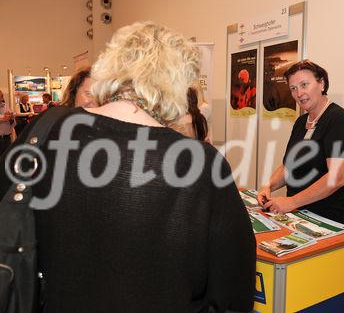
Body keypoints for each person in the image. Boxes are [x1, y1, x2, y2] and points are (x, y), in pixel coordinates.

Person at [1, 21, 256, 312]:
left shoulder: (47, 128)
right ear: (176, 83)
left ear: (110, 67)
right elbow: (233, 290)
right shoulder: (201, 163)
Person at [257, 59, 344, 228]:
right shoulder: (300, 122)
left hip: (330, 220)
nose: (299, 93)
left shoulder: (339, 119)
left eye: (304, 85)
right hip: (299, 216)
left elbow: (337, 177)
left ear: (322, 83)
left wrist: (291, 202)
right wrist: (268, 186)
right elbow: (288, 167)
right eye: (293, 88)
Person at [0, 90, 15, 155]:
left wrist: (11, 118)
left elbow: (12, 123)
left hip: (6, 138)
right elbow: (4, 119)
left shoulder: (5, 106)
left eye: (1, 96)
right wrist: (3, 119)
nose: (1, 98)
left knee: (6, 157)